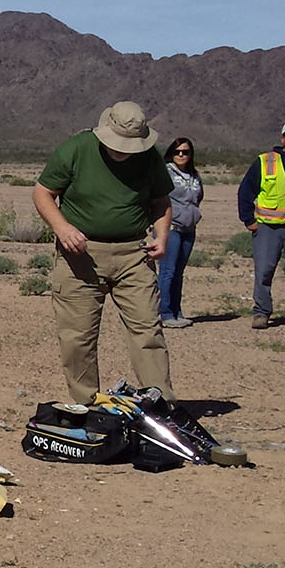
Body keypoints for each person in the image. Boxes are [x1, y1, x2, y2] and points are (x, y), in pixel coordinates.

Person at [32, 101, 173, 403]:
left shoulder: (150, 158)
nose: (124, 150)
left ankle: (160, 407)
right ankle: (88, 406)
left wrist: (162, 237)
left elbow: (161, 201)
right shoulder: (76, 149)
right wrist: (62, 228)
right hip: (80, 256)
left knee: (147, 331)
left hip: (135, 254)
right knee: (78, 338)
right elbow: (43, 192)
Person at [237, 119, 285, 329]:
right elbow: (246, 190)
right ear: (283, 138)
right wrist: (248, 219)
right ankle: (261, 312)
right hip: (267, 227)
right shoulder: (266, 161)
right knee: (264, 270)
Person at [157, 137, 202, 328]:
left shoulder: (194, 175)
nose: (181, 155)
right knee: (167, 271)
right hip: (171, 229)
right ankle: (165, 313)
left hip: (188, 230)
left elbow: (198, 199)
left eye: (185, 152)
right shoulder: (166, 172)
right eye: (177, 152)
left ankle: (177, 311)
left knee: (179, 272)